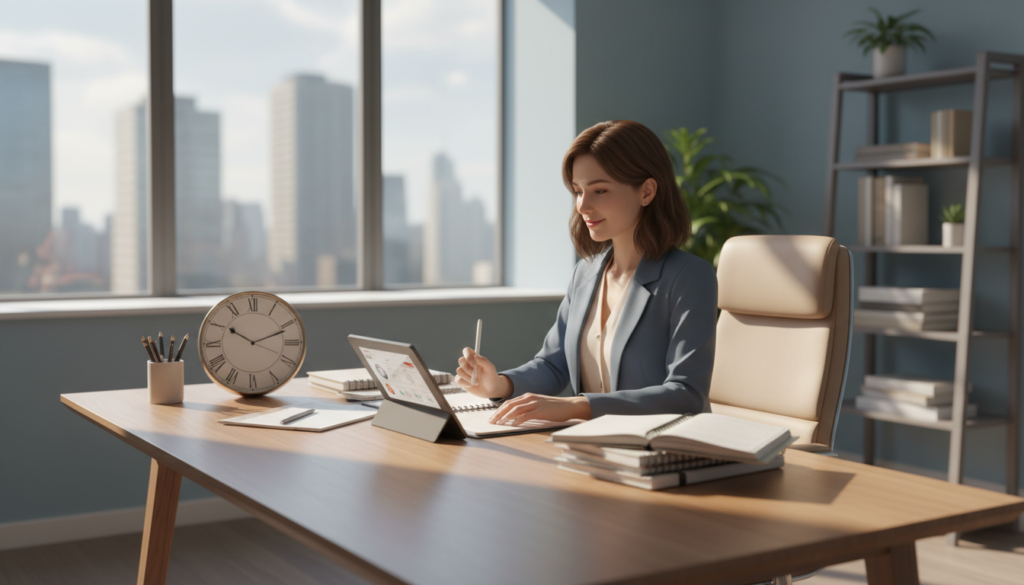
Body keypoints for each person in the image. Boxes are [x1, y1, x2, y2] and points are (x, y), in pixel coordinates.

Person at [455, 120, 718, 426]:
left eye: (600, 190)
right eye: (578, 191)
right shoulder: (585, 273)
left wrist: (576, 407)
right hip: (591, 447)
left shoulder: (689, 276)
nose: (582, 205)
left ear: (646, 191)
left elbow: (686, 394)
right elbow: (553, 367)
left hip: (662, 448)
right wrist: (499, 385)